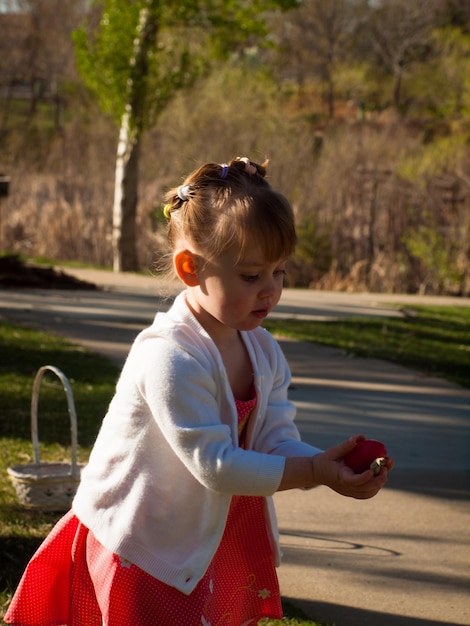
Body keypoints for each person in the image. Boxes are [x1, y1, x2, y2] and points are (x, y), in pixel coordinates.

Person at [5, 156, 393, 626]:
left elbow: (272, 438)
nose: (270, 290)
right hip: (145, 543)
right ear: (190, 268)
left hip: (213, 537)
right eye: (251, 276)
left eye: (280, 272)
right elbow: (215, 464)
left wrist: (326, 465)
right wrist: (309, 469)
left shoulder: (262, 349)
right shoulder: (170, 356)